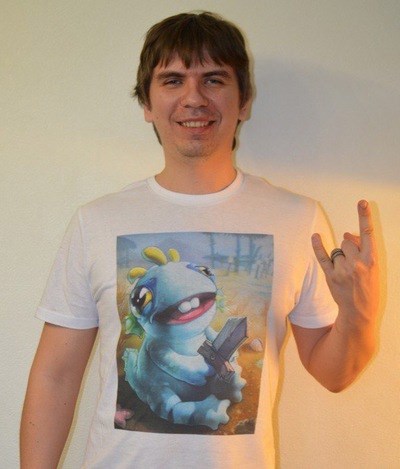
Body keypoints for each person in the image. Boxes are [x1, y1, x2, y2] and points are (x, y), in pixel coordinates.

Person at [20, 11, 379, 469]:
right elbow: (55, 376)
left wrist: (360, 311)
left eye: (213, 79)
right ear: (146, 103)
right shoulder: (96, 222)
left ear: (244, 100)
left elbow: (334, 375)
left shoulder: (298, 218)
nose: (193, 98)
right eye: (172, 80)